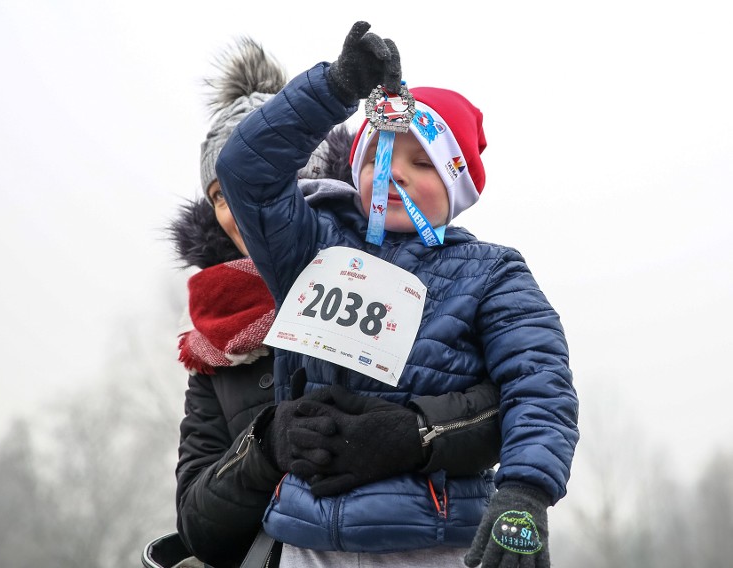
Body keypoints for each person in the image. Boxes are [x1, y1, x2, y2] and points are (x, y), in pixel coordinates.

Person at [215, 21, 580, 568]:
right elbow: (244, 171)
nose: (395, 174)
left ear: (457, 186)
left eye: (423, 162)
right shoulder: (309, 245)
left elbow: (540, 383)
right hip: (308, 540)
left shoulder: (492, 274)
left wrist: (525, 492)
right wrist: (335, 88)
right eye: (377, 157)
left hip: (430, 544)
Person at [171, 37, 503, 568]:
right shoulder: (218, 346)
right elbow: (197, 526)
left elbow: (509, 403)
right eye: (217, 197)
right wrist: (265, 447)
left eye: (280, 187)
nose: (237, 212)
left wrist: (413, 433)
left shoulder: (421, 270)